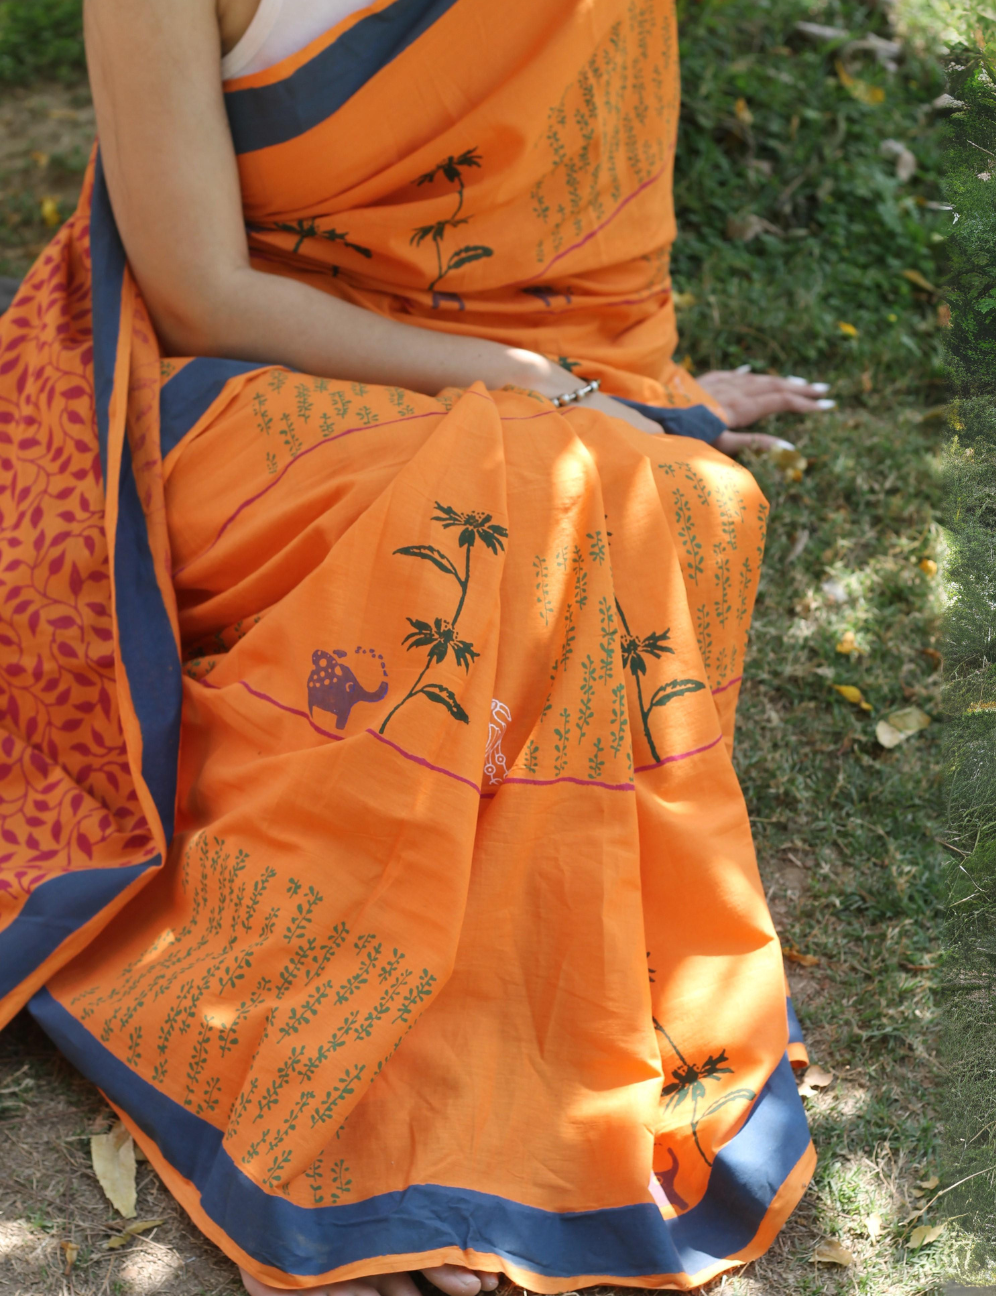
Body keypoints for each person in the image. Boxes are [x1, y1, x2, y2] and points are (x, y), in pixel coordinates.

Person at [0, 1, 826, 1292]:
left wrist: (615, 393)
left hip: (511, 392)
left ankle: (495, 1088)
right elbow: (202, 293)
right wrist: (534, 389)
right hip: (233, 400)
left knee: (653, 509)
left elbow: (573, 221)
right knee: (507, 521)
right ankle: (433, 1113)